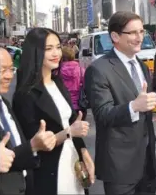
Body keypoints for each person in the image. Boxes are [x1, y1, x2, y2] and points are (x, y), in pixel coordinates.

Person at [12, 28, 94, 195]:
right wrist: (68, 132)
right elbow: (33, 143)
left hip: (73, 162)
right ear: (35, 51)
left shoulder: (58, 83)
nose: (56, 53)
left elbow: (72, 121)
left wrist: (84, 152)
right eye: (48, 49)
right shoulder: (25, 95)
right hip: (49, 171)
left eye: (58, 47)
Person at [84, 11, 156, 195]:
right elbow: (102, 114)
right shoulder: (99, 69)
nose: (139, 37)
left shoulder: (141, 66)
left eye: (141, 32)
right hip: (119, 167)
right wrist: (134, 106)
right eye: (132, 33)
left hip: (146, 163)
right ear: (115, 36)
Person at [0, 48, 57, 195]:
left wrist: (32, 146)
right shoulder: (23, 96)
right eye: (2, 70)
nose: (8, 76)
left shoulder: (4, 103)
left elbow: (13, 152)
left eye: (11, 69)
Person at [60, 46, 86, 117]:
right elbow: (86, 86)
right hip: (80, 104)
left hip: (63, 105)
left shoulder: (57, 72)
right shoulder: (81, 70)